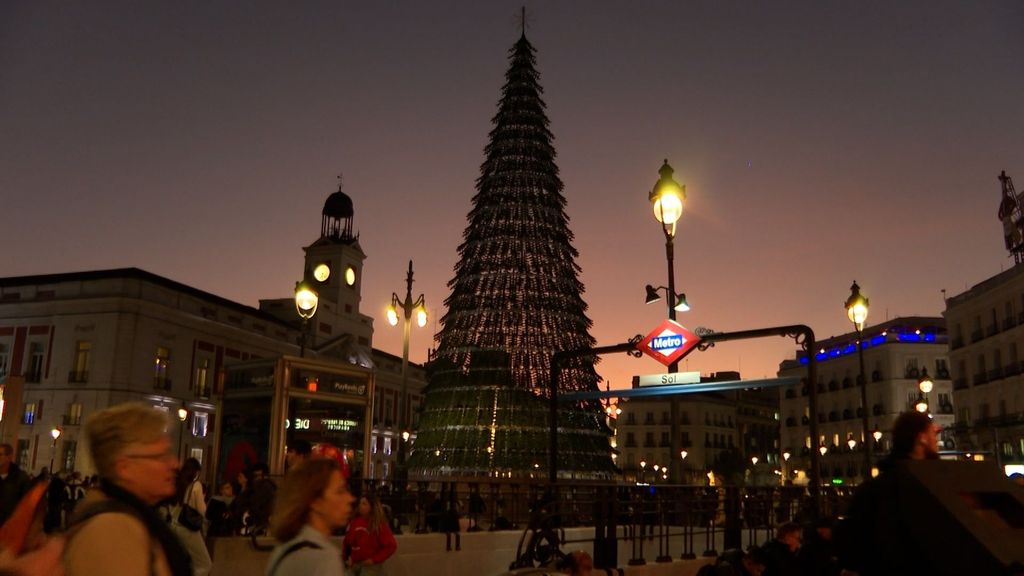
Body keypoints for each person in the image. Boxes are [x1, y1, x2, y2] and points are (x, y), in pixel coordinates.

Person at [64, 402, 191, 576]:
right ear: (125, 468)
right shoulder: (112, 531)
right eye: (161, 456)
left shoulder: (128, 518)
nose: (175, 464)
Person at [835, 410, 941, 576]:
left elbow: (851, 546)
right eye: (933, 433)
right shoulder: (928, 489)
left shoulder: (872, 489)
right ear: (922, 438)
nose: (937, 440)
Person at [264, 458, 355, 576]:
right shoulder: (324, 558)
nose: (350, 498)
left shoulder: (283, 549)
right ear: (316, 502)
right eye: (340, 491)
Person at [170, 458, 212, 576]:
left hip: (174, 527)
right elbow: (202, 510)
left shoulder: (177, 483)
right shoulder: (196, 485)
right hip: (188, 528)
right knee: (205, 564)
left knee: (186, 563)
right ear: (196, 472)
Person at [342, 495, 397, 576]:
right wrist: (346, 558)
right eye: (360, 503)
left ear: (372, 507)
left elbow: (391, 545)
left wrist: (374, 560)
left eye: (364, 504)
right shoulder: (354, 522)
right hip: (354, 563)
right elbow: (347, 542)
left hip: (370, 565)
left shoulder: (378, 524)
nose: (360, 505)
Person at [0, 444, 32, 526]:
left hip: (10, 526)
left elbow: (26, 504)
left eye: (0, 454)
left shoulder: (21, 478)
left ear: (9, 457)